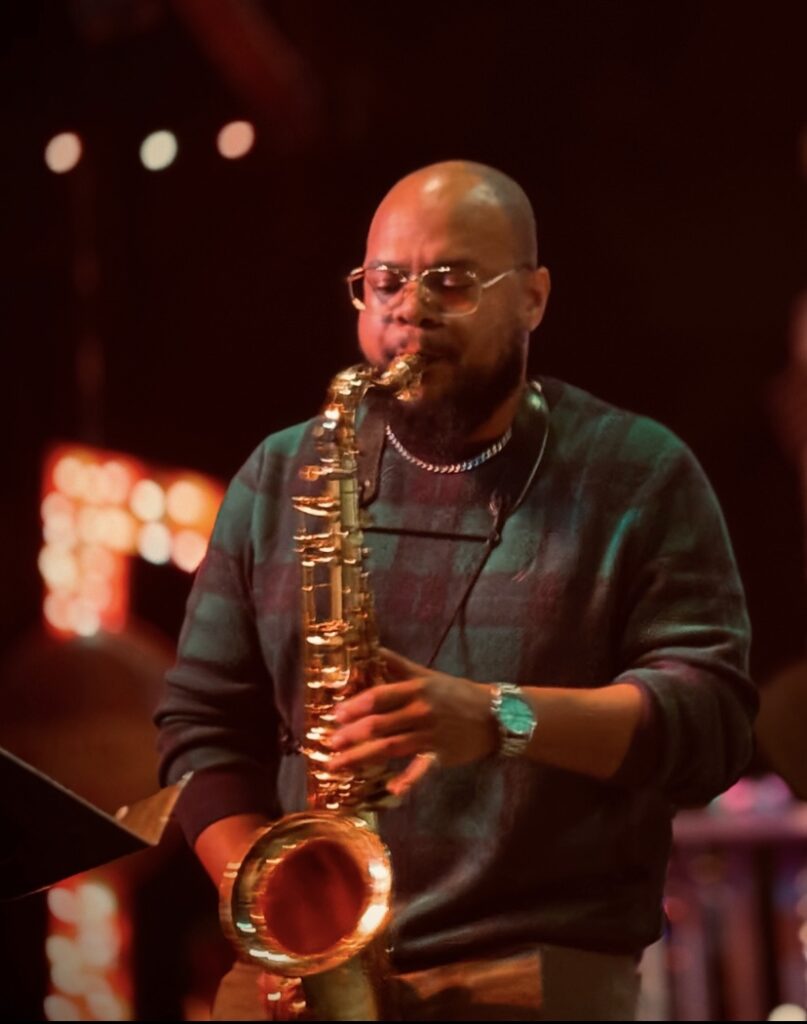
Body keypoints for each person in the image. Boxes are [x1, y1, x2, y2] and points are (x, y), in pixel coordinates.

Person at [154, 160, 757, 1020]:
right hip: (300, 976)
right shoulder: (284, 470)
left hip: (531, 976)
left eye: (450, 280)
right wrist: (283, 907)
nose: (408, 306)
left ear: (533, 299)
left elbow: (711, 728)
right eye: (385, 281)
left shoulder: (638, 473)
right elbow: (199, 725)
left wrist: (497, 719)